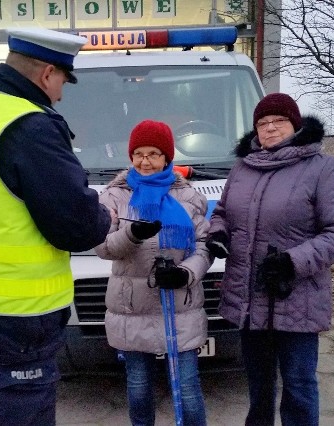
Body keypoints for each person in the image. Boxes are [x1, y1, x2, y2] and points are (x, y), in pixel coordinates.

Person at [0, 28, 113, 426]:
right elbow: (77, 227)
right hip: (14, 326)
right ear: (48, 73)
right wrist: (107, 213)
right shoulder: (29, 126)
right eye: (64, 80)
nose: (62, 94)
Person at [206, 93, 334, 425]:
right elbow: (221, 213)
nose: (270, 128)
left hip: (297, 299)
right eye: (262, 123)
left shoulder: (321, 168)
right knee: (259, 389)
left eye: (278, 121)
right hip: (249, 298)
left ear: (295, 125)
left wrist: (293, 261)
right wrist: (218, 233)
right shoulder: (243, 168)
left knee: (299, 387)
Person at [94, 119, 212, 426]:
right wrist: (131, 234)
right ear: (131, 156)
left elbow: (204, 245)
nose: (146, 161)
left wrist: (186, 273)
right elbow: (104, 247)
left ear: (167, 158)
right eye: (139, 153)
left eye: (154, 154)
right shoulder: (114, 197)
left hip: (180, 307)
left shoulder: (187, 196)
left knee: (187, 388)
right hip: (132, 308)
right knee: (139, 387)